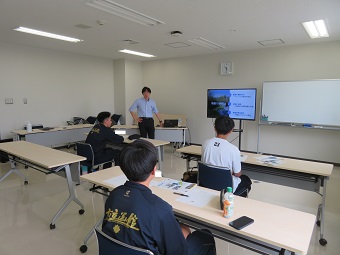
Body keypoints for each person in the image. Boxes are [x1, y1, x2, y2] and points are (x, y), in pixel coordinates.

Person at [102, 140, 216, 255]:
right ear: (153, 170)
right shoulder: (161, 209)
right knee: (205, 235)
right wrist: (185, 231)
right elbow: (177, 251)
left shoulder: (113, 196)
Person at [201, 116, 252, 197]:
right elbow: (237, 174)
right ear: (231, 130)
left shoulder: (205, 143)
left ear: (215, 128)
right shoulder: (233, 150)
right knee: (246, 180)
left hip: (206, 182)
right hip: (226, 187)